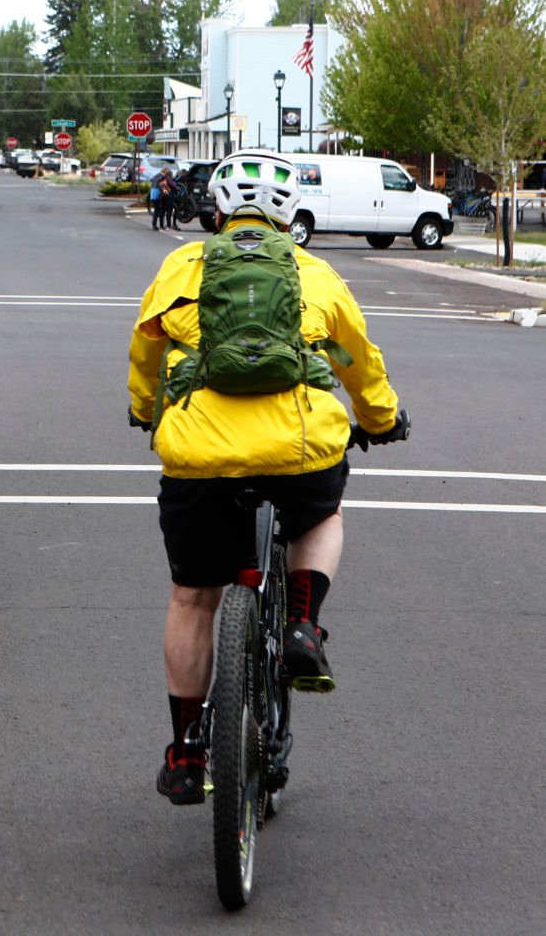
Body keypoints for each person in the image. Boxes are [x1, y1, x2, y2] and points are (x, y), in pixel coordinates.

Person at [126, 150, 409, 805]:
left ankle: (183, 750)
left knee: (193, 597)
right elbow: (350, 357)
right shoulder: (314, 275)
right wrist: (381, 417)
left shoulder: (179, 267)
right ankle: (303, 624)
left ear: (217, 211)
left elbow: (146, 348)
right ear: (287, 216)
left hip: (199, 453)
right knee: (321, 514)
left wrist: (145, 411)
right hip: (297, 449)